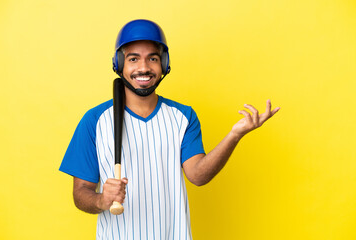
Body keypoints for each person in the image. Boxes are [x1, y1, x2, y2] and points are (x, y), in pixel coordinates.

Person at [59, 19, 280, 239]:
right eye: (133, 59)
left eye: (152, 58)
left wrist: (235, 135)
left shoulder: (183, 116)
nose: (143, 68)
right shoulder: (94, 120)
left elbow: (198, 176)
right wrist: (101, 200)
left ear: (164, 64)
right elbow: (80, 193)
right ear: (119, 64)